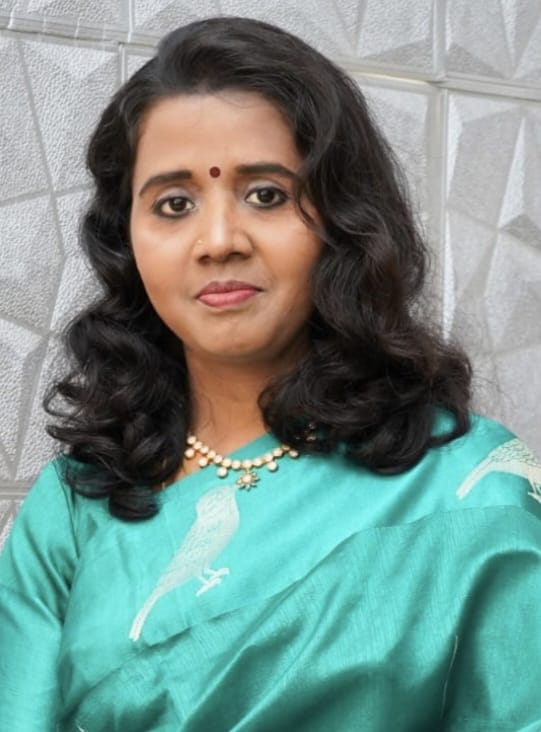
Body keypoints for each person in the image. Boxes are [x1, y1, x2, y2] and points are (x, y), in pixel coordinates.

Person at [0, 15, 540, 732]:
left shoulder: (469, 488)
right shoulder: (79, 504)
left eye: (266, 195)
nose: (219, 241)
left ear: (343, 219)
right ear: (126, 240)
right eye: (173, 205)